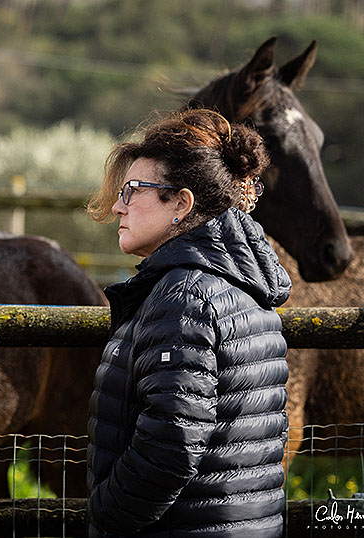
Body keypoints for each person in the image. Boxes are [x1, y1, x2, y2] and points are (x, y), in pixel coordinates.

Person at [85, 108, 291, 537]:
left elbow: (171, 443)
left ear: (181, 203)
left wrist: (106, 513)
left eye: (132, 191)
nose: (118, 207)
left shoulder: (184, 296)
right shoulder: (243, 283)